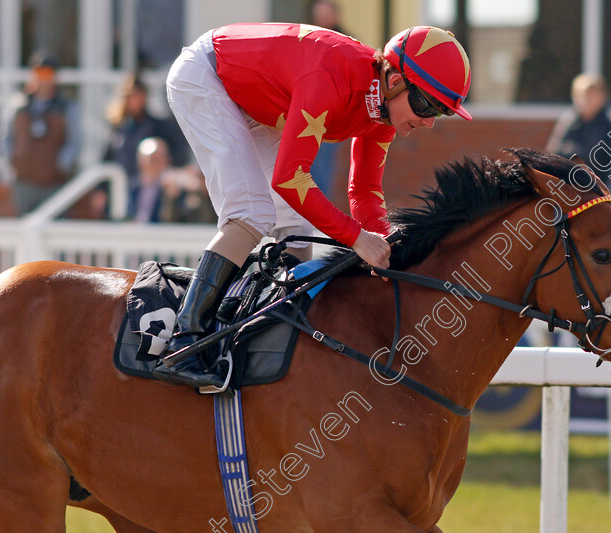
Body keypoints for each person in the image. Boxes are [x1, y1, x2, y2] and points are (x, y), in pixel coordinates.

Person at [155, 23, 472, 387]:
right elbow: (290, 178)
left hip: (261, 98)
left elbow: (365, 190)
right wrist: (356, 238)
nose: (429, 121)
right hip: (207, 75)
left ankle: (273, 334)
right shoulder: (333, 78)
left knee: (295, 225)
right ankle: (183, 342)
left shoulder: (381, 113)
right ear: (395, 79)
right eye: (426, 103)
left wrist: (387, 246)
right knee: (252, 211)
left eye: (441, 111)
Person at [6, 54, 80, 215]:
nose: (43, 80)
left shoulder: (66, 107)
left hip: (53, 182)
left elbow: (74, 142)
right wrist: (14, 161)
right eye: (39, 74)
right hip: (24, 181)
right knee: (24, 229)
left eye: (48, 75)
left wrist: (60, 165)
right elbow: (5, 139)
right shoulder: (18, 105)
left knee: (55, 228)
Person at [103, 72, 188, 192]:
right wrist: (102, 190)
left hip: (150, 191)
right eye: (129, 96)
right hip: (122, 190)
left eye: (136, 95)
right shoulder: (120, 130)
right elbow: (108, 160)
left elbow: (178, 156)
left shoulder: (160, 128)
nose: (133, 100)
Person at [307, 0, 348, 199]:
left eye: (325, 15)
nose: (322, 20)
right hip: (308, 110)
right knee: (306, 162)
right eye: (319, 15)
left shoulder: (347, 43)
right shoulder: (308, 40)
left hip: (333, 116)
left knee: (322, 164)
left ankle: (319, 213)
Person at [545, 73, 611, 179]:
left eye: (593, 96)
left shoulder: (605, 126)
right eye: (584, 96)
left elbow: (599, 157)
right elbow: (554, 151)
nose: (588, 101)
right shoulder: (568, 121)